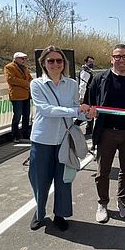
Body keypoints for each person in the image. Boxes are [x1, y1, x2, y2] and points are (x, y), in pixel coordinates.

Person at [28, 45, 93, 231]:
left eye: (59, 60)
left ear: (64, 63)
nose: (55, 64)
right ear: (43, 64)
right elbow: (45, 109)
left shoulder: (72, 84)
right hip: (42, 140)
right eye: (51, 61)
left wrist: (87, 115)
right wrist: (75, 110)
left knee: (64, 179)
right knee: (40, 179)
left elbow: (75, 110)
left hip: (65, 139)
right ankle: (39, 213)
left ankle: (60, 214)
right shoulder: (36, 84)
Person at [89, 45, 125, 223]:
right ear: (111, 59)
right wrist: (90, 111)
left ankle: (122, 200)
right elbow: (89, 103)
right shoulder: (99, 79)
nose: (121, 60)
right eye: (117, 56)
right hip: (106, 132)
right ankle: (102, 203)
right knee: (102, 171)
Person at [4, 52, 33, 143]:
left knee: (26, 115)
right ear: (15, 58)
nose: (24, 60)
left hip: (26, 95)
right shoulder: (9, 67)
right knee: (17, 115)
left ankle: (25, 134)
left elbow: (30, 79)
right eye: (22, 58)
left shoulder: (25, 69)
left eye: (25, 58)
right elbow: (11, 79)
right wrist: (27, 84)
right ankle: (15, 134)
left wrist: (31, 84)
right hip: (17, 96)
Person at [76, 56, 95, 135]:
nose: (91, 63)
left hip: (88, 94)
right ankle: (75, 126)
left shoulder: (88, 71)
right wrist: (82, 97)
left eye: (92, 62)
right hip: (87, 95)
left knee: (90, 112)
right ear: (86, 62)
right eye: (90, 62)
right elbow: (83, 85)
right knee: (87, 112)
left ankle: (89, 130)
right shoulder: (85, 72)